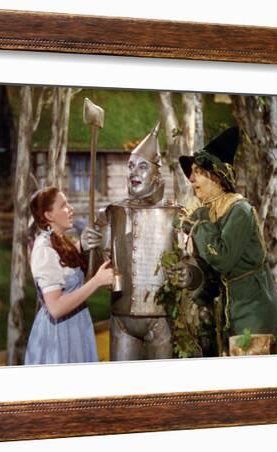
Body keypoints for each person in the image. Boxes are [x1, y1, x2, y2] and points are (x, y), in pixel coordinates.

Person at [81, 123, 202, 361]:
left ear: (157, 174)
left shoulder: (177, 215)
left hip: (161, 321)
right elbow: (96, 271)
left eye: (143, 166)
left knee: (161, 391)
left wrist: (188, 274)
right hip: (121, 319)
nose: (134, 173)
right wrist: (88, 249)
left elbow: (196, 266)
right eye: (131, 166)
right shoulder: (112, 213)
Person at [178, 127, 277, 355]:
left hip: (255, 312)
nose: (191, 178)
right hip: (231, 312)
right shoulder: (213, 211)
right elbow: (212, 269)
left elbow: (223, 259)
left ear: (216, 176)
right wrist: (196, 297)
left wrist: (200, 223)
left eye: (198, 172)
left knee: (253, 385)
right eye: (191, 173)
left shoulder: (239, 210)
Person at [24, 187, 114, 365]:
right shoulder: (44, 250)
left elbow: (65, 266)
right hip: (58, 335)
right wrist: (96, 281)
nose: (71, 208)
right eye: (64, 205)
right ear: (49, 215)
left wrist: (81, 244)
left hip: (77, 326)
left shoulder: (58, 239)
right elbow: (56, 308)